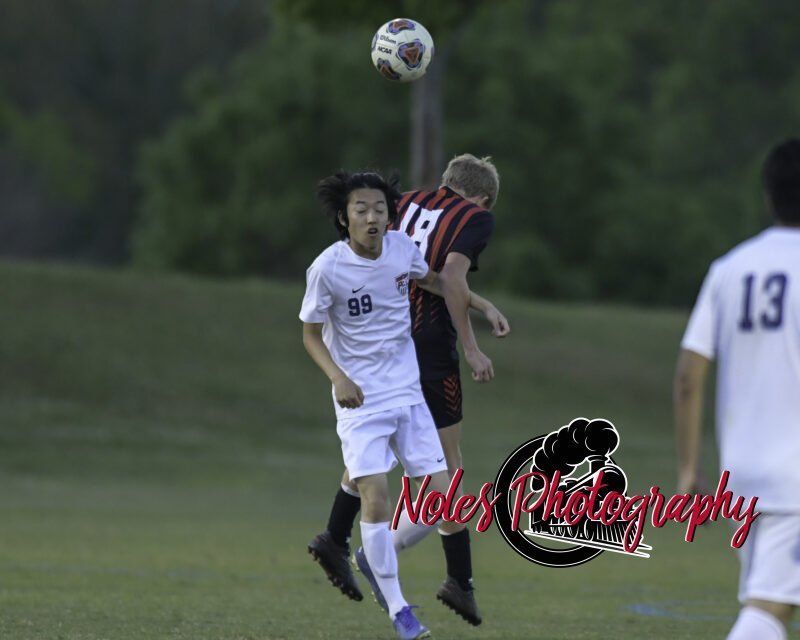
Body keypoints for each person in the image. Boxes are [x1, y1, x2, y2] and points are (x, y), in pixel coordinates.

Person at [308, 154, 507, 626]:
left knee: (380, 458)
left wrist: (481, 305)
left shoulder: (407, 205)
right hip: (428, 348)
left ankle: (336, 538)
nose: (373, 216)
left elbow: (428, 275)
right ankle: (437, 575)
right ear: (479, 198)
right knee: (444, 476)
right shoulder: (476, 217)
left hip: (393, 349)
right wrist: (473, 346)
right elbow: (452, 277)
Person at [674, 138, 800, 640]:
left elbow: (688, 377)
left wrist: (688, 468)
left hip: (741, 479)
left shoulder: (729, 269)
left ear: (769, 195)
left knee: (772, 602)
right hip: (795, 480)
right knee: (768, 611)